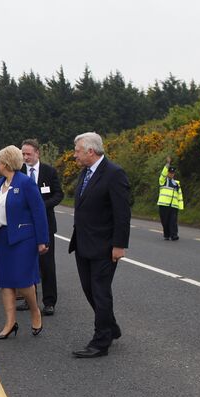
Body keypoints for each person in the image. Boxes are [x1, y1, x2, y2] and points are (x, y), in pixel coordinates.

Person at [69, 132, 131, 358]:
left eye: (77, 151)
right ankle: (111, 326)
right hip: (84, 243)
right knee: (89, 289)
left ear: (90, 151)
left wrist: (119, 245)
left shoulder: (114, 174)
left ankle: (100, 341)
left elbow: (122, 214)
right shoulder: (85, 173)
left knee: (100, 291)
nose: (74, 155)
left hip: (104, 246)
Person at [0, 146, 49, 340]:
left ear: (5, 163)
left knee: (23, 281)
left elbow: (39, 212)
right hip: (4, 237)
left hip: (24, 239)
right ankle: (10, 323)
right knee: (5, 282)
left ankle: (35, 310)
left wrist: (42, 240)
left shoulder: (26, 183)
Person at [17, 139, 64, 315]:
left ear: (37, 153)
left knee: (47, 264)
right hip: (25, 226)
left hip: (46, 224)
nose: (25, 157)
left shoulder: (49, 171)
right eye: (23, 154)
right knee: (28, 263)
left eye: (28, 154)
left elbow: (59, 194)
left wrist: (41, 206)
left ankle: (49, 302)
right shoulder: (18, 172)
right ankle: (30, 300)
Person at [157, 156, 184, 241]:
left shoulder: (176, 183)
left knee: (173, 221)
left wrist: (180, 206)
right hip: (163, 204)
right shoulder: (163, 181)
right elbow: (163, 174)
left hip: (173, 206)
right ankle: (166, 234)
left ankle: (174, 235)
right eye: (170, 173)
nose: (171, 174)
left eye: (172, 173)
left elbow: (180, 195)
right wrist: (167, 164)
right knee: (165, 221)